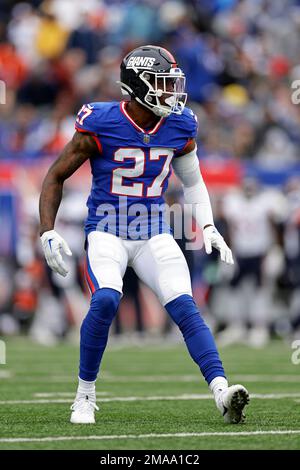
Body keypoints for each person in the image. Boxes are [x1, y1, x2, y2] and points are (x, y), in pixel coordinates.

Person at [39, 45, 249, 424]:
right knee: (105, 301)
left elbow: (194, 183)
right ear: (139, 86)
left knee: (184, 304)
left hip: (154, 230)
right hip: (106, 230)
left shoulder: (180, 123)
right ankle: (84, 395)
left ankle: (221, 390)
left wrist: (208, 226)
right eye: (164, 84)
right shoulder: (101, 122)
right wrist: (47, 231)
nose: (172, 92)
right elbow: (55, 175)